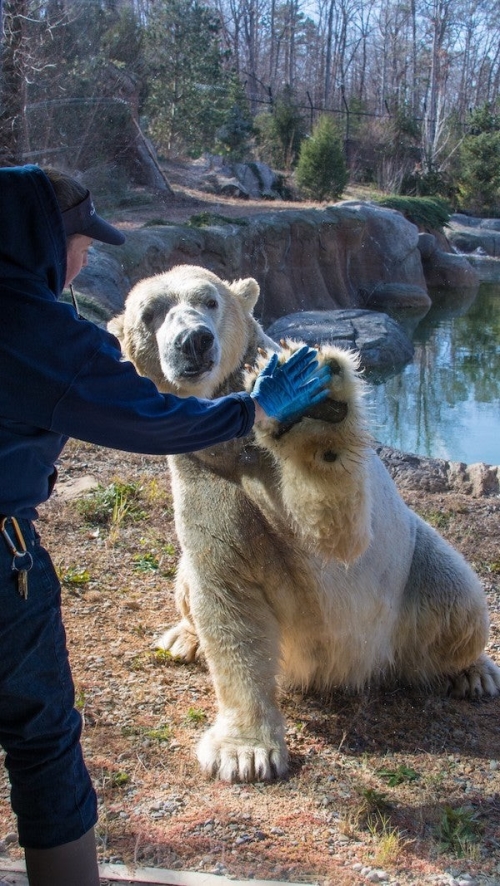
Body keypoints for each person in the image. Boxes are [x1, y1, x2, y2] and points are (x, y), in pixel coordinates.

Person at [0, 164, 331, 885]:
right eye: (78, 242)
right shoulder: (33, 327)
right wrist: (254, 410)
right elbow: (145, 417)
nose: (83, 258)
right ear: (39, 240)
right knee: (42, 737)